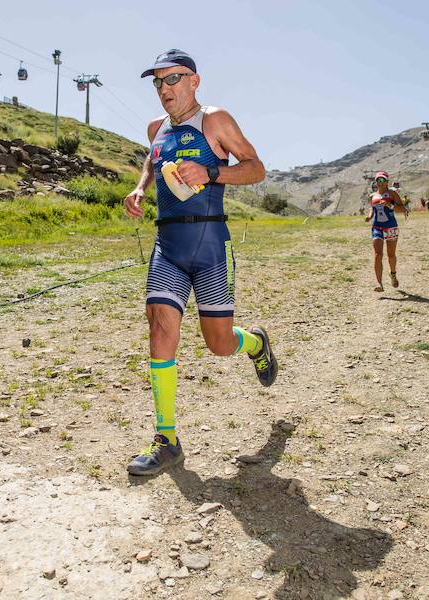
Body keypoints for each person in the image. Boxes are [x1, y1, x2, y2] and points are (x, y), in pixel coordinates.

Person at [123, 49, 278, 476]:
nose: (164, 89)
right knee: (159, 327)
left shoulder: (216, 120)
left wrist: (209, 174)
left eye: (172, 79)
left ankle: (255, 342)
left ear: (194, 80)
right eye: (157, 82)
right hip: (168, 245)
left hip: (210, 246)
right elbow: (152, 166)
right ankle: (166, 440)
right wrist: (138, 190)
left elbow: (256, 169)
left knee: (219, 343)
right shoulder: (156, 129)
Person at [364, 171, 408, 292]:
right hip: (377, 227)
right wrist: (369, 216)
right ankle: (379, 283)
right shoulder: (372, 196)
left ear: (387, 182)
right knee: (378, 254)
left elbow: (403, 209)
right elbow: (371, 209)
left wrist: (390, 205)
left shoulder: (392, 193)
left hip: (391, 227)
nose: (380, 182)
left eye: (383, 180)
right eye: (378, 180)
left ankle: (393, 274)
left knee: (391, 255)